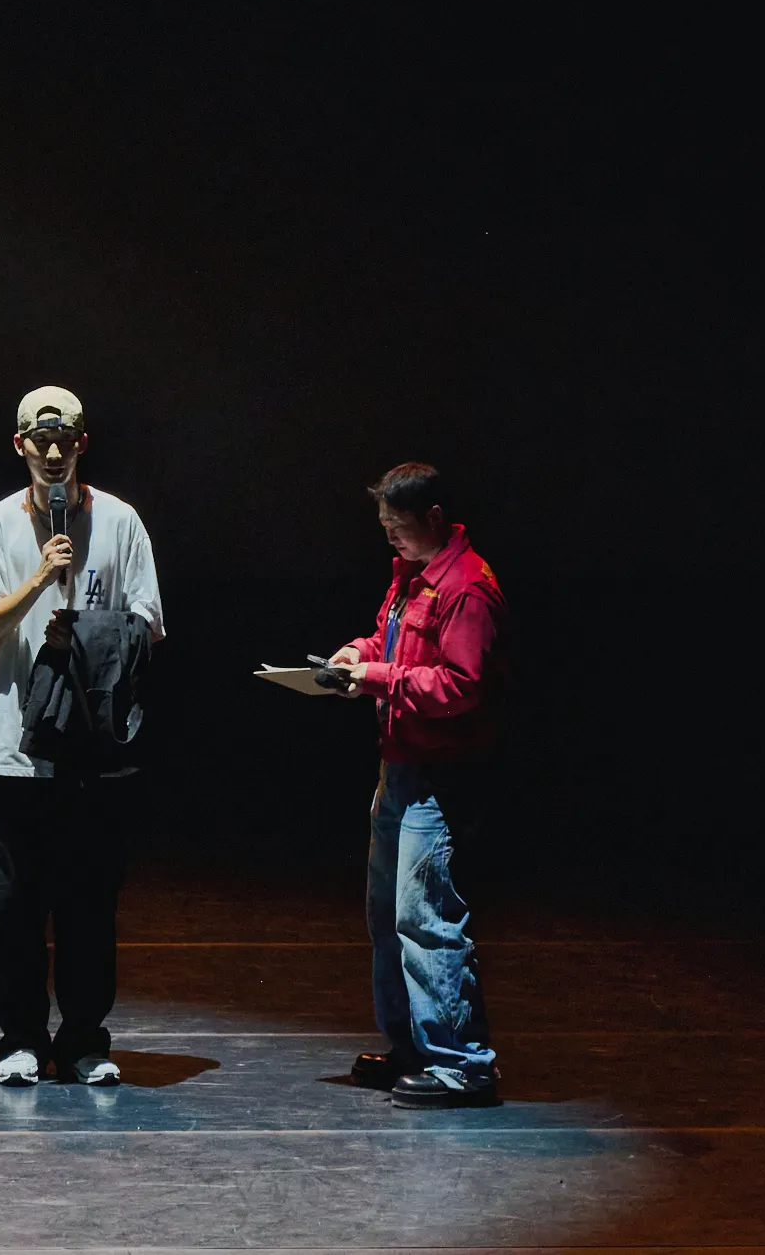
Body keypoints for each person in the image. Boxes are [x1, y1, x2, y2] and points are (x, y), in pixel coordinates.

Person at [0, 386, 164, 1087]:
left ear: (83, 442)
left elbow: (149, 625)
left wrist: (86, 636)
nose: (53, 453)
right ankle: (21, 1039)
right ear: (19, 444)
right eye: (40, 441)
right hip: (12, 751)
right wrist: (40, 580)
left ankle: (83, 1040)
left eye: (65, 440)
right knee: (11, 909)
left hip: (91, 754)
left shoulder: (120, 521)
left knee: (88, 906)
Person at [325, 462, 506, 1108]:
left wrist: (376, 678)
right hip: (399, 767)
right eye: (383, 527)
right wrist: (359, 652)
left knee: (427, 917)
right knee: (388, 915)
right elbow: (391, 640)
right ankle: (413, 1049)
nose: (389, 538)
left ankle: (460, 1064)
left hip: (439, 776)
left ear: (433, 517)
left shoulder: (467, 587)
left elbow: (460, 685)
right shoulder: (412, 576)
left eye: (397, 525)